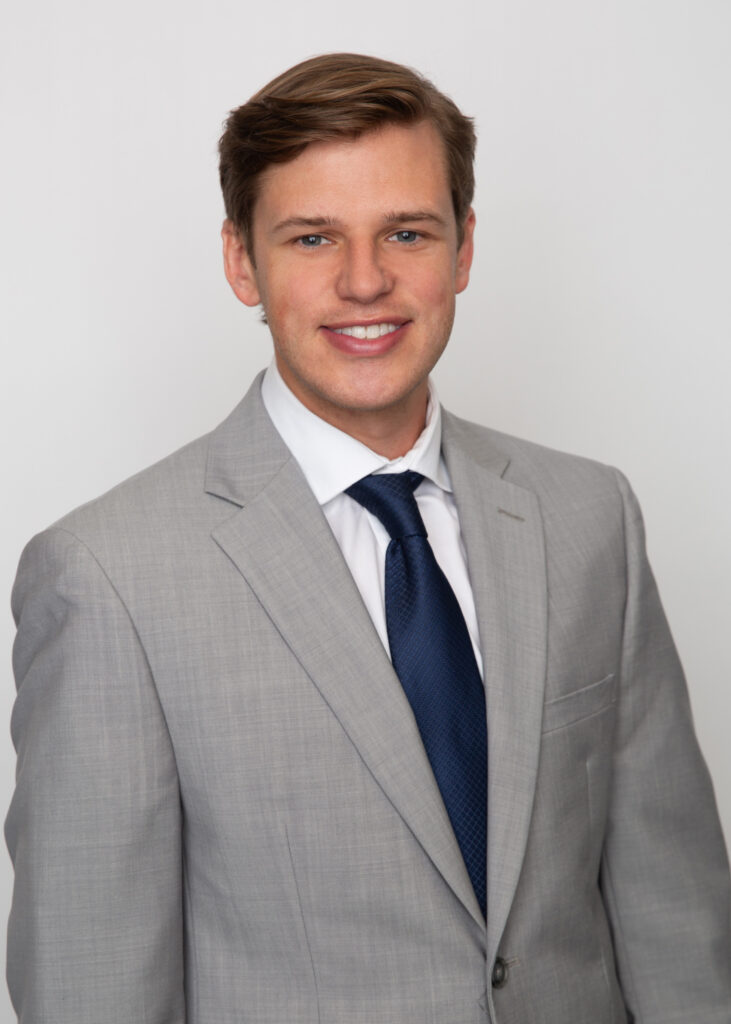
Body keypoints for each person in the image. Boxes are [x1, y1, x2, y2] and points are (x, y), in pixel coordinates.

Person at [6, 52, 731, 1024]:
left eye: (406, 231)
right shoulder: (109, 575)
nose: (364, 280)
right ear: (241, 261)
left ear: (462, 250)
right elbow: (91, 985)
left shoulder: (586, 514)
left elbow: (676, 922)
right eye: (312, 237)